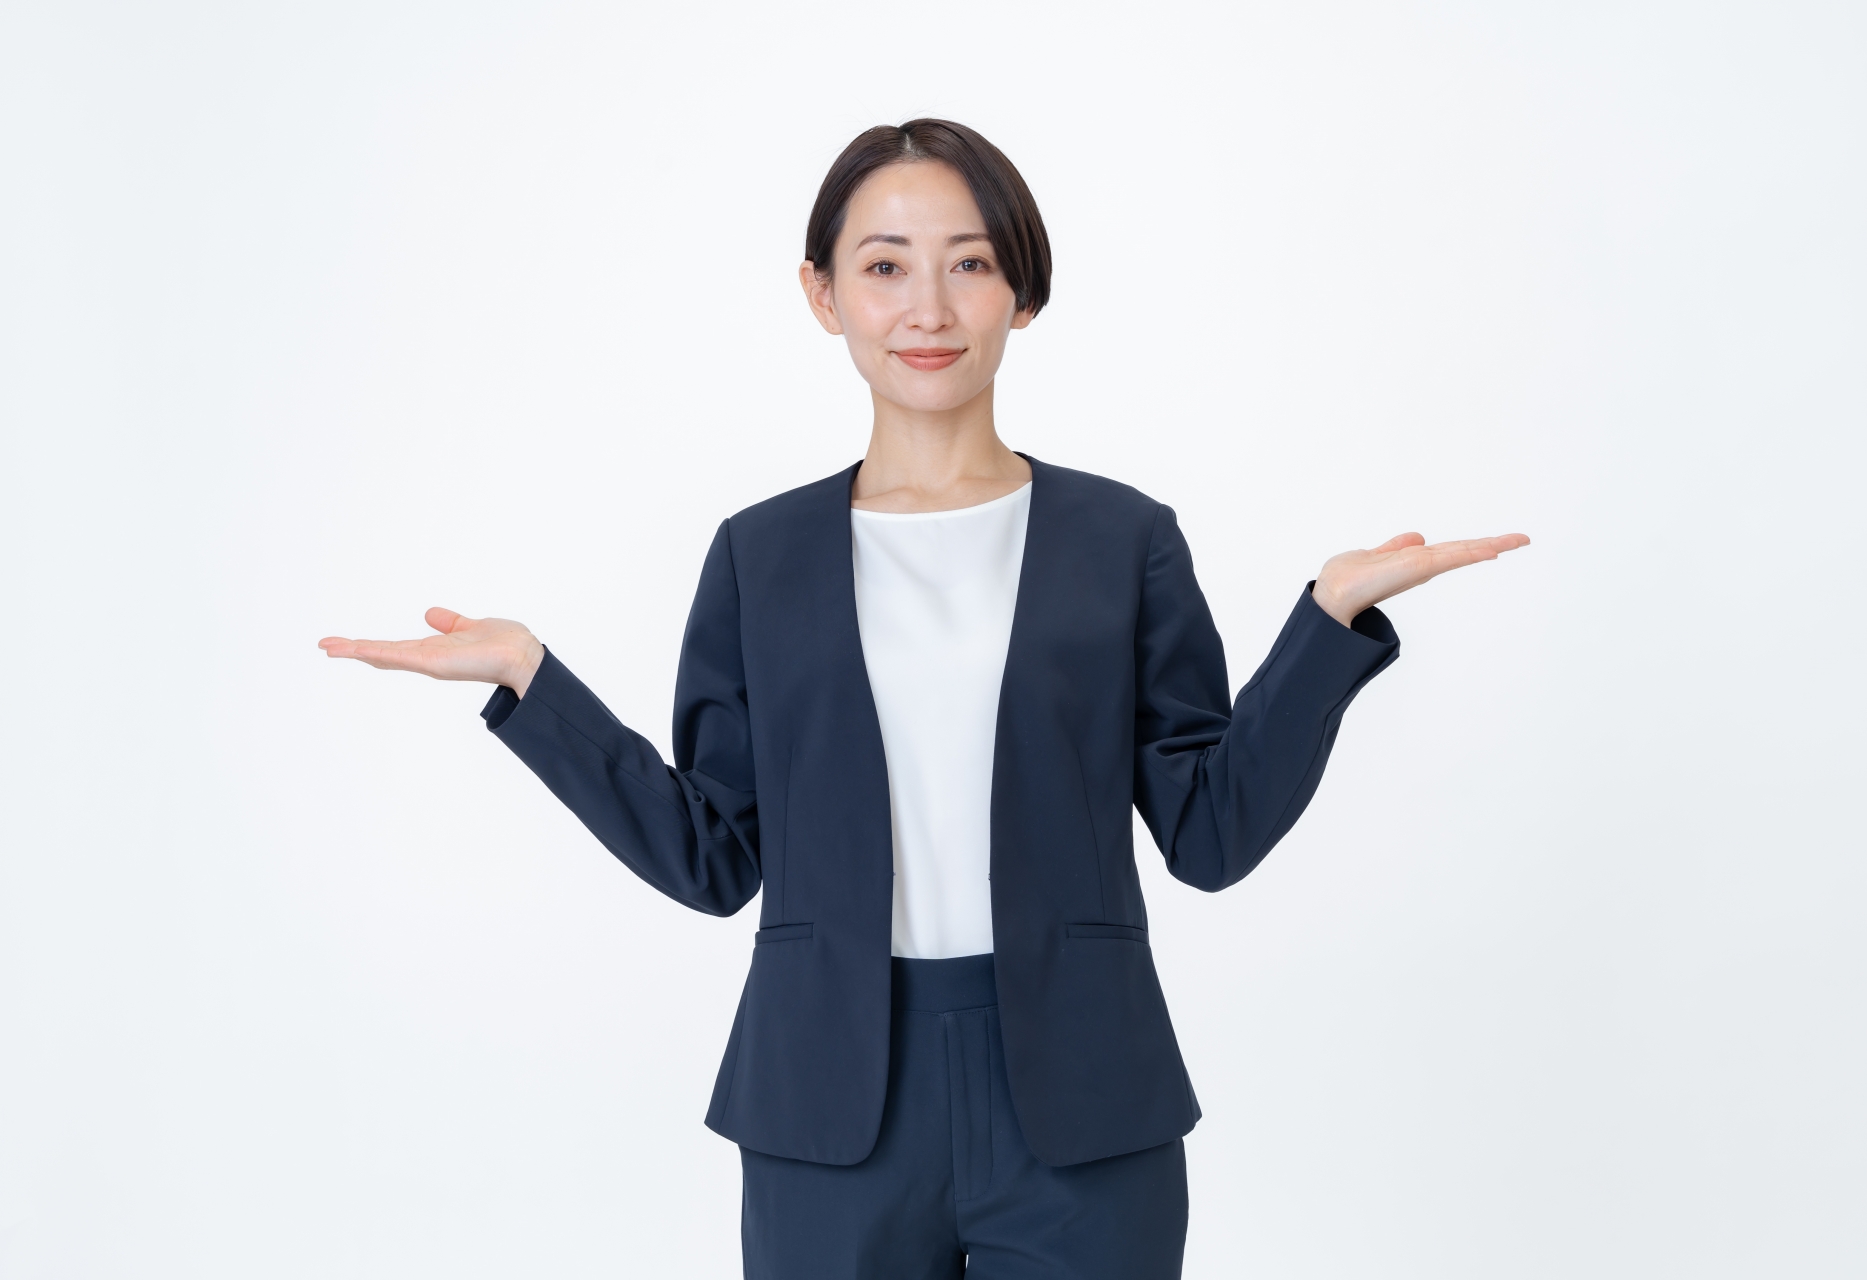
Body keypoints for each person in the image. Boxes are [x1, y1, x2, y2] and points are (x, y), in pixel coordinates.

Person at [320, 118, 1528, 1279]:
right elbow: (713, 854)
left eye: (971, 265)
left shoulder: (1123, 540)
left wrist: (1327, 624)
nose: (929, 308)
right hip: (829, 1103)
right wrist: (535, 681)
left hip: (1084, 1102)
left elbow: (1211, 833)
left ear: (1024, 291)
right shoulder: (762, 555)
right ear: (823, 294)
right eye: (885, 265)